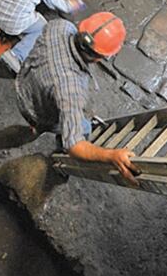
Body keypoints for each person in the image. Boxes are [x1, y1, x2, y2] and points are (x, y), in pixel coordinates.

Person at [15, 12, 139, 183]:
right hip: (42, 113)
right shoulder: (71, 90)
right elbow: (75, 145)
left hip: (24, 88)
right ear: (99, 58)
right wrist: (111, 155)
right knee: (83, 128)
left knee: (44, 116)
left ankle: (34, 128)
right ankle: (58, 155)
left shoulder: (59, 26)